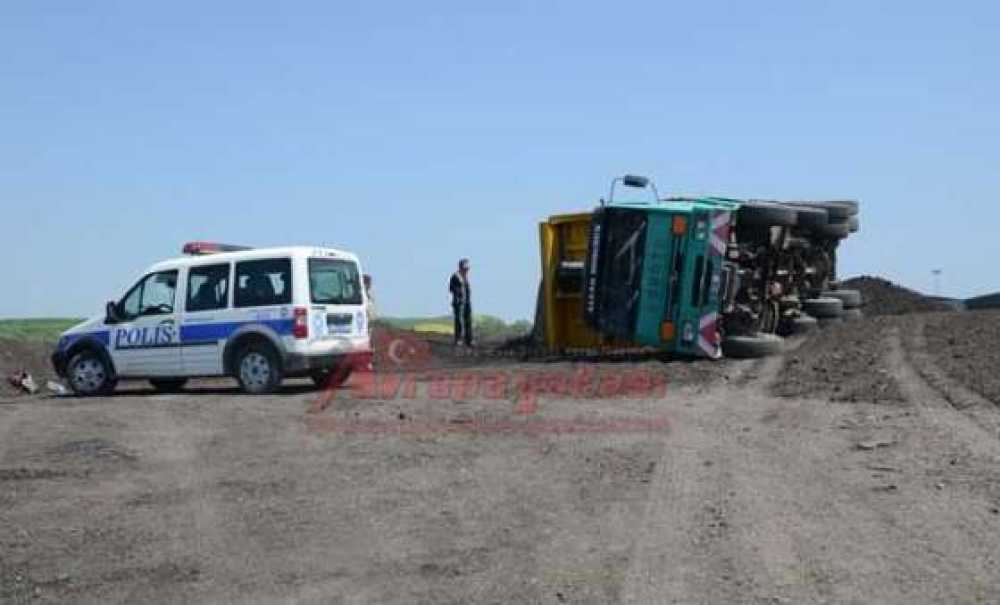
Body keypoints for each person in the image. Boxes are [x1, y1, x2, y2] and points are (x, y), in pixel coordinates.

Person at [449, 258, 472, 346]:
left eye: (467, 267)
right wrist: (458, 294)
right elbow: (451, 288)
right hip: (459, 302)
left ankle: (469, 340)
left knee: (468, 320)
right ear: (461, 266)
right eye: (465, 267)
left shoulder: (465, 277)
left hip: (467, 302)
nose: (467, 269)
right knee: (459, 321)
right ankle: (458, 339)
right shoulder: (455, 276)